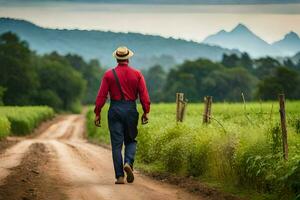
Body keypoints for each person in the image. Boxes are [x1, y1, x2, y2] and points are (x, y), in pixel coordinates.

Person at [94, 46, 150, 184]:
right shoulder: (137, 74)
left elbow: (102, 96)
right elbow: (144, 96)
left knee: (116, 145)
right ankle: (128, 163)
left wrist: (97, 112)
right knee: (131, 140)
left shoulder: (108, 75)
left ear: (116, 58)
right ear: (128, 58)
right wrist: (146, 111)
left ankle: (119, 176)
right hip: (131, 109)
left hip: (115, 109)